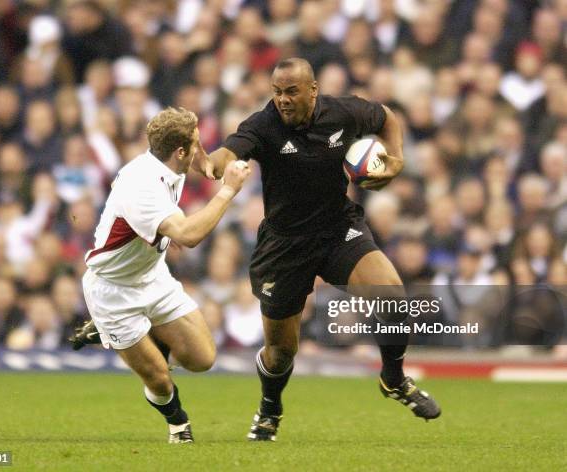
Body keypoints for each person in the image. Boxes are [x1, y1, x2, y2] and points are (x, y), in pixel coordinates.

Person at [199, 58, 441, 440]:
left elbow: (386, 117)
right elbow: (228, 153)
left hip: (336, 229)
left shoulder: (344, 112)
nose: (282, 99)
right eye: (277, 92)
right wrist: (209, 164)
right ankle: (269, 409)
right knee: (281, 353)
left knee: (392, 298)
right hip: (284, 246)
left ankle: (393, 380)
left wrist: (394, 160)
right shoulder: (263, 126)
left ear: (313, 90)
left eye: (291, 91)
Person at [79, 107, 250, 443]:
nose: (201, 150)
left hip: (152, 276)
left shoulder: (170, 160)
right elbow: (188, 235)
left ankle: (136, 338)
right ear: (179, 152)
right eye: (196, 145)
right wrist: (228, 190)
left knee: (202, 358)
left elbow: (203, 163)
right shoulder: (140, 185)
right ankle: (178, 422)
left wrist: (217, 164)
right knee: (158, 378)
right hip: (114, 291)